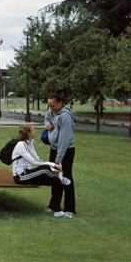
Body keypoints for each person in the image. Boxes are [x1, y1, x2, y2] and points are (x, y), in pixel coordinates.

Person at [44, 89, 76, 218]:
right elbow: (46, 118)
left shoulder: (65, 117)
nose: (51, 108)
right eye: (49, 106)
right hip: (54, 149)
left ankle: (70, 208)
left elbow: (64, 140)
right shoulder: (52, 112)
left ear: (60, 103)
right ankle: (54, 205)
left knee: (66, 178)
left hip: (65, 151)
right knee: (55, 177)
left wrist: (58, 160)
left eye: (53, 106)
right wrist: (47, 125)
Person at [11, 123, 71, 192]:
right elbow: (34, 161)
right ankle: (59, 177)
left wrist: (52, 169)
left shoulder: (30, 144)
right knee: (45, 169)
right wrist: (54, 165)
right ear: (28, 133)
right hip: (20, 176)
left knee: (54, 181)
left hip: (27, 173)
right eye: (33, 129)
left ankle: (59, 183)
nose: (35, 131)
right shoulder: (21, 144)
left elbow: (38, 160)